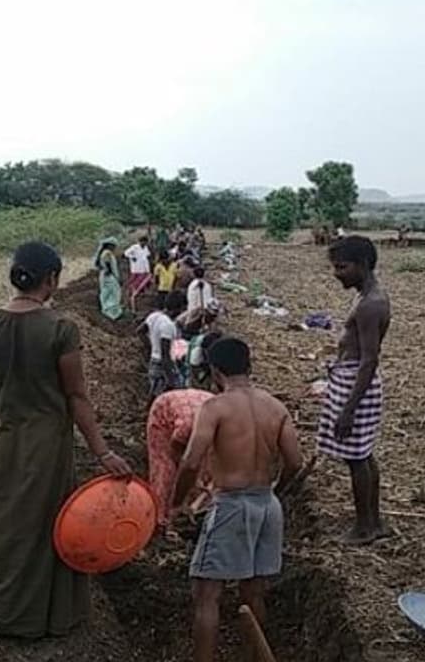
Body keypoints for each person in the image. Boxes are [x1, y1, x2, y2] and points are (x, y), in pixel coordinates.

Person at [0, 242, 131, 639]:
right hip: (45, 450)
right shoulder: (60, 329)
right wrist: (102, 452)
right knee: (42, 530)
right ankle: (36, 620)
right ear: (52, 280)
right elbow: (77, 397)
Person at [174, 338, 303, 662]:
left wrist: (177, 502)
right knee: (253, 590)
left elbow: (190, 462)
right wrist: (276, 489)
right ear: (249, 365)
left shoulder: (215, 407)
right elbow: (296, 463)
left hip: (231, 505)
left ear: (216, 372)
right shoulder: (276, 407)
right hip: (267, 505)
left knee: (207, 593)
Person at [317, 235, 391, 545]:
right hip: (351, 381)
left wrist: (348, 409)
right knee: (363, 455)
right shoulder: (365, 296)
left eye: (342, 267)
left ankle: (364, 528)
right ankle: (373, 521)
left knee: (357, 459)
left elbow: (369, 360)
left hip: (356, 386)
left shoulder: (370, 305)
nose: (336, 273)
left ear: (362, 264)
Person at [146, 388, 214, 527]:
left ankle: (195, 512)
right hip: (165, 418)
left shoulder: (228, 426)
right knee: (165, 470)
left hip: (200, 407)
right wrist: (176, 504)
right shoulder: (185, 428)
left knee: (203, 472)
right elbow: (178, 453)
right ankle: (160, 520)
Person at [139, 292, 184, 398]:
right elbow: (165, 353)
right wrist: (171, 377)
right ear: (179, 309)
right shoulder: (168, 326)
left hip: (154, 361)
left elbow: (140, 331)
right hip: (162, 365)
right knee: (166, 395)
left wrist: (151, 346)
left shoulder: (154, 316)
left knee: (155, 394)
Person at [178, 267, 218, 336]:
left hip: (193, 311)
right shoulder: (207, 285)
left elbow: (190, 299)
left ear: (194, 274)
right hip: (205, 310)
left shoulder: (192, 285)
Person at [122, 234, 153, 315]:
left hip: (144, 270)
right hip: (135, 270)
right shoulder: (134, 247)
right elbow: (126, 253)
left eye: (145, 242)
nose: (144, 244)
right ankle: (129, 302)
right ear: (140, 242)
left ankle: (136, 301)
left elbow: (147, 257)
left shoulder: (146, 248)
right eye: (142, 242)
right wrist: (132, 257)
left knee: (141, 286)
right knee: (133, 286)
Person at [94, 237, 124, 320]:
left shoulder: (104, 253)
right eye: (113, 246)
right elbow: (108, 263)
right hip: (109, 276)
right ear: (110, 246)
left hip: (105, 275)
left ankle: (108, 310)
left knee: (106, 292)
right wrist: (113, 274)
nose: (114, 248)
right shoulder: (107, 253)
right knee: (113, 292)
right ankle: (112, 312)